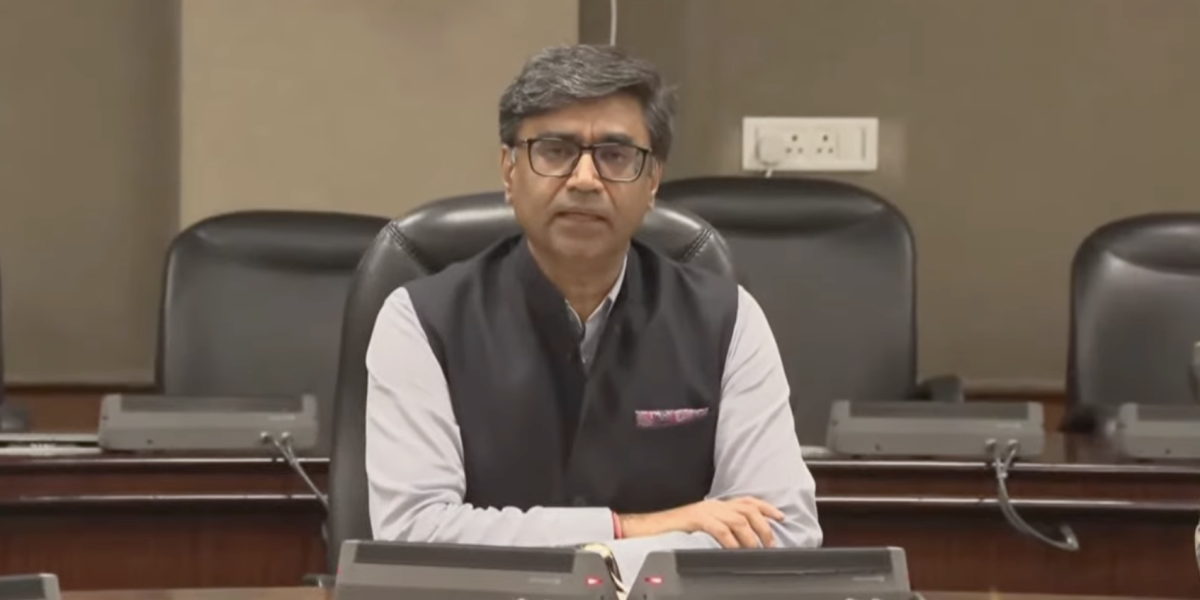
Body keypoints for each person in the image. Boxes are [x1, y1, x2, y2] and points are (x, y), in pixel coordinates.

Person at [364, 43, 821, 582]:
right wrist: (629, 529)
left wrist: (584, 552)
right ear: (509, 170)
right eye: (555, 150)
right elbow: (414, 537)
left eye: (615, 156)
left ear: (652, 182)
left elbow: (783, 532)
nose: (584, 179)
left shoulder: (729, 320)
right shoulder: (419, 321)